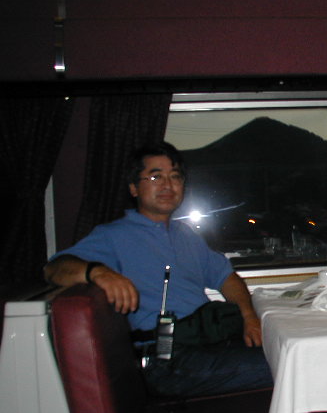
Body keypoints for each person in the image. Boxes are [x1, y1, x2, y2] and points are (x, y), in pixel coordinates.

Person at [44, 142, 273, 397]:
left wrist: (249, 317)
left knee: (284, 350)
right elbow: (54, 269)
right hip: (165, 360)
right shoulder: (114, 236)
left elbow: (227, 278)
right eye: (156, 177)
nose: (167, 185)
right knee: (289, 365)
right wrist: (98, 272)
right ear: (134, 188)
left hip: (205, 342)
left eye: (175, 177)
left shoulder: (186, 235)